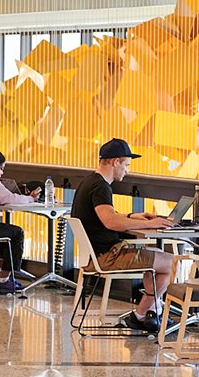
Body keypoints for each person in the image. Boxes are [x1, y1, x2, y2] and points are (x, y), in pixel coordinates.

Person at [70, 138, 175, 334]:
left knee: (154, 256)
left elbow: (107, 215)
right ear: (115, 162)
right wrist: (149, 224)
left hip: (97, 255)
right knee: (171, 262)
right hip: (107, 257)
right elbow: (111, 222)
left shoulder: (89, 181)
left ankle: (150, 311)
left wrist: (132, 216)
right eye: (126, 165)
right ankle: (142, 314)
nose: (127, 170)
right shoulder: (101, 187)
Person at [0, 147, 39, 294]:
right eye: (1, 169)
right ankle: (3, 280)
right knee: (16, 233)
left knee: (6, 232)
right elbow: (8, 198)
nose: (2, 173)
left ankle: (0, 271)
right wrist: (30, 199)